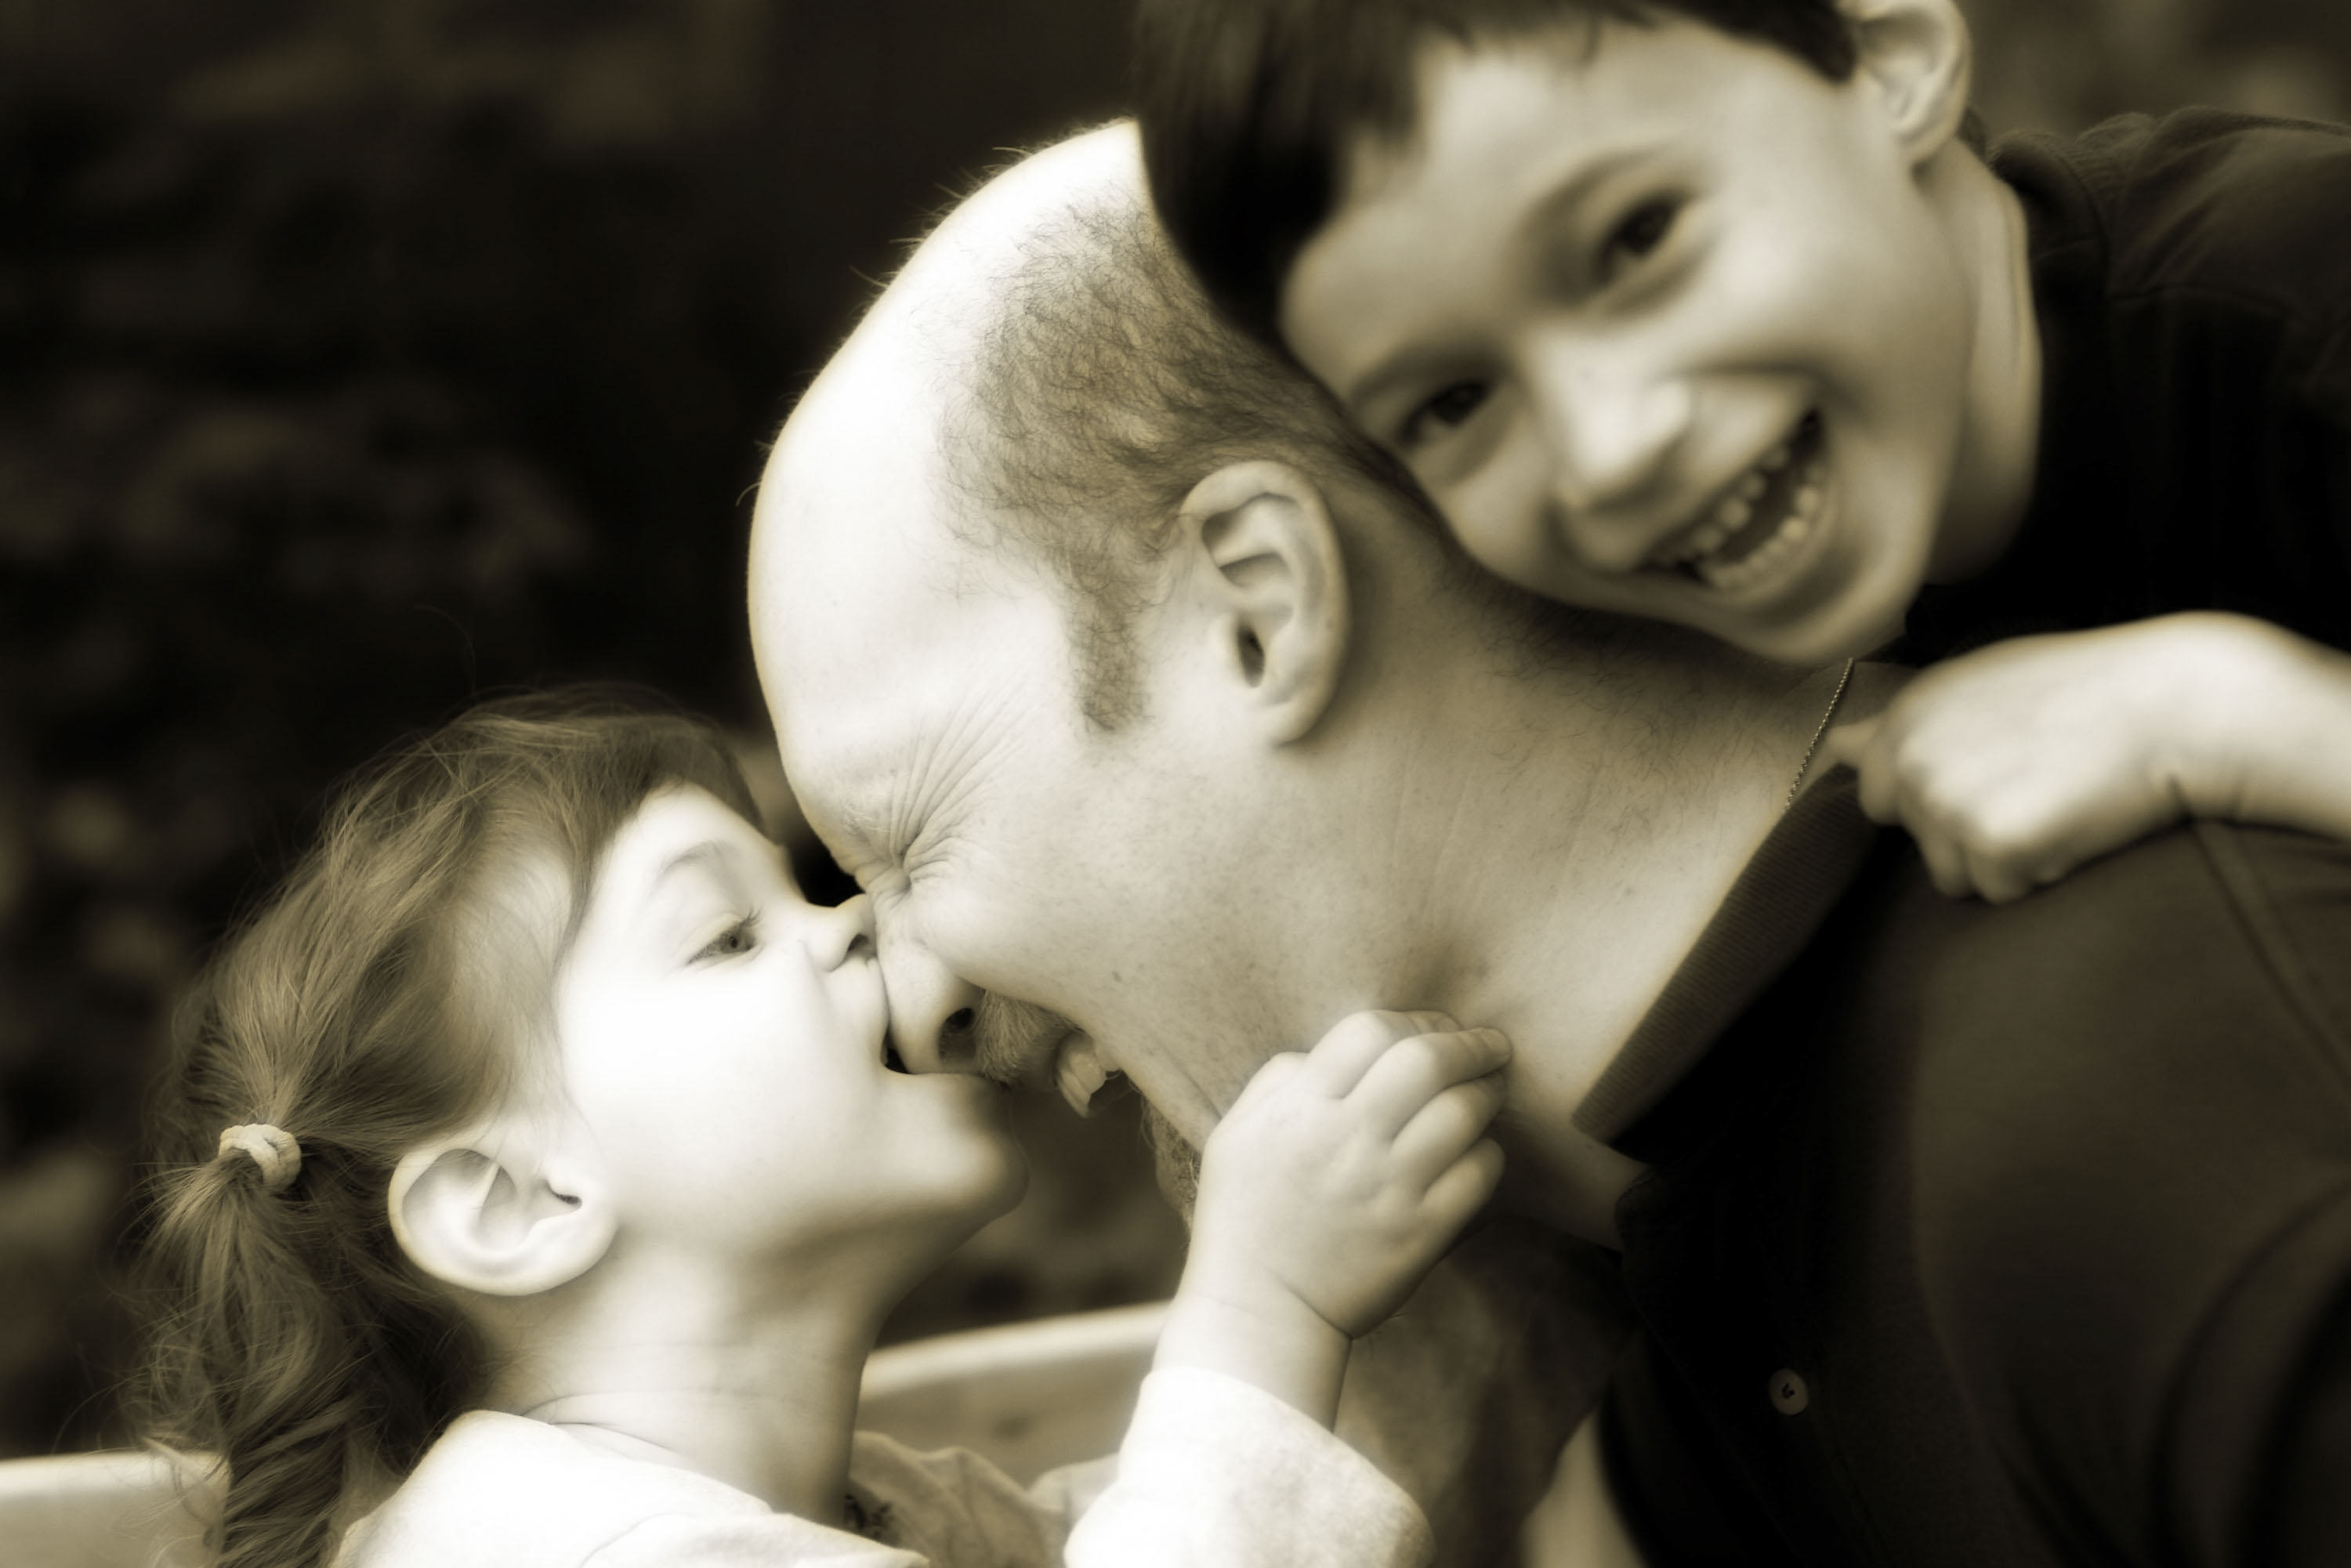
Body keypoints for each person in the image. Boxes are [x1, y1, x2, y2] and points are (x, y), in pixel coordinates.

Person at [749, 124, 2351, 1565]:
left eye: (909, 838)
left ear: (1258, 608)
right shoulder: (1680, 1313)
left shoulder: (2153, 1128)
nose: (913, 1005)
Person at [133, 692, 1514, 1568]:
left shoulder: (874, 1513)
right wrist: (1267, 1309)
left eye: (799, 889)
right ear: (519, 1200)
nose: (853, 921)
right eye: (727, 934)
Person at [1131, 0, 2351, 904]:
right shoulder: (1717, 623)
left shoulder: (2303, 297)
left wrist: (2229, 720)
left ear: (1887, 62)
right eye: (1452, 402)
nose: (1605, 451)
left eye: (1637, 240)